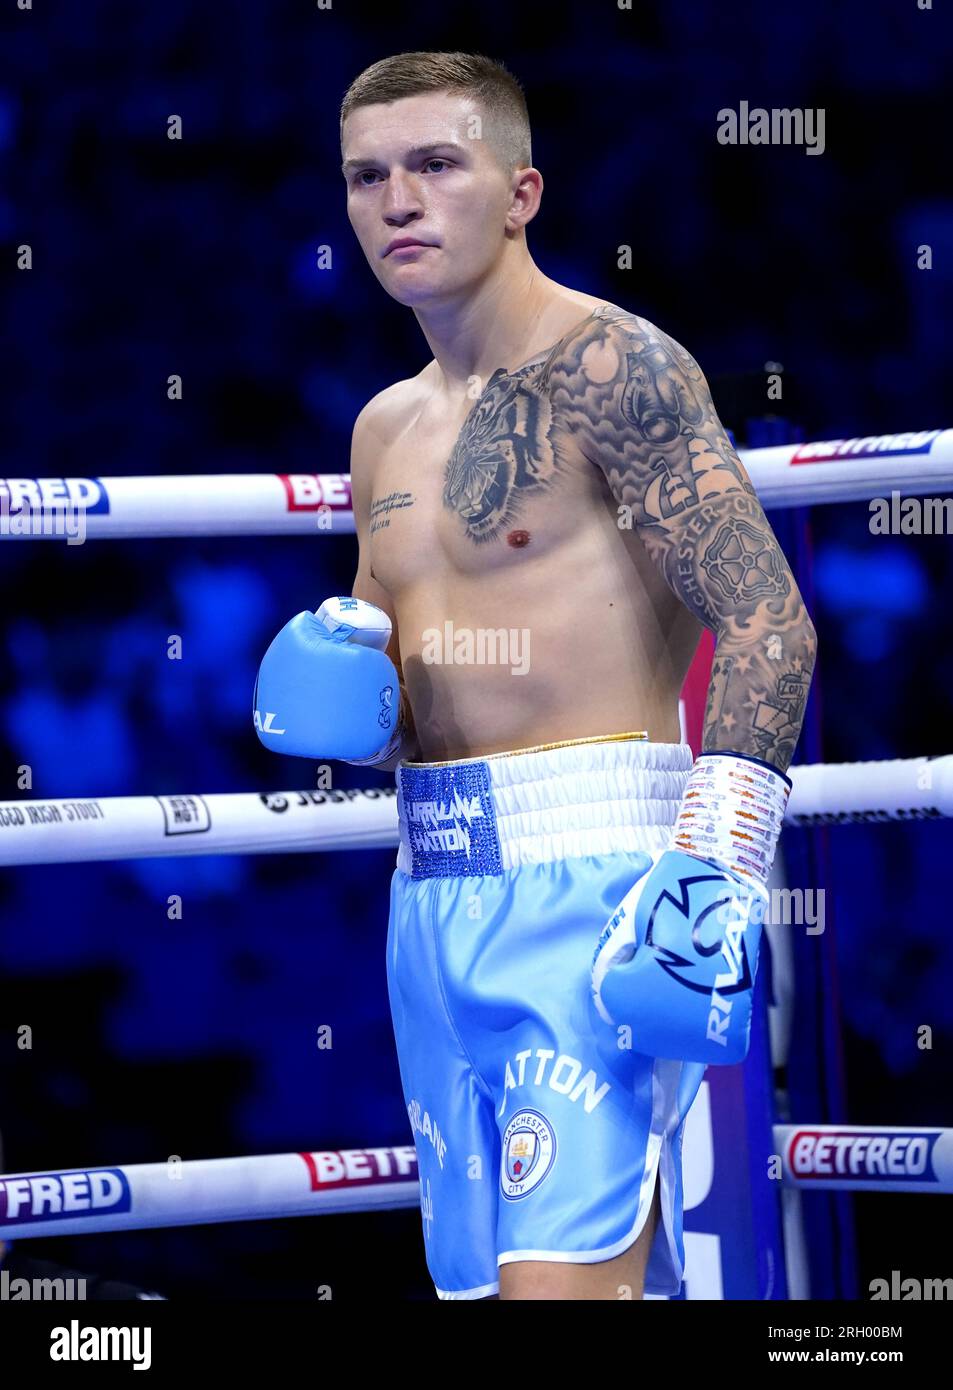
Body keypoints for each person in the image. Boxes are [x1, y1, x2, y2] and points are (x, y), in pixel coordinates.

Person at [255, 50, 817, 1300]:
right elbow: (405, 703)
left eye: (434, 165)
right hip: (431, 895)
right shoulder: (382, 427)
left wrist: (708, 875)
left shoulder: (615, 370)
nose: (396, 201)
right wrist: (352, 692)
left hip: (598, 886)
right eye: (366, 176)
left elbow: (769, 621)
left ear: (520, 191)